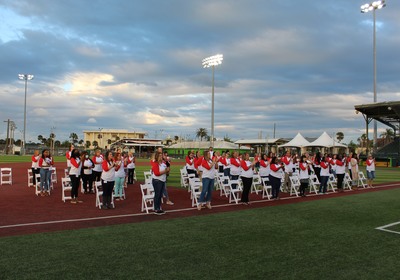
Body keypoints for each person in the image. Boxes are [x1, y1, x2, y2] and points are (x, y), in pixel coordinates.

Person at [151, 151, 170, 215]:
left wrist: (167, 171)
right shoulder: (155, 163)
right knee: (157, 195)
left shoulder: (163, 164)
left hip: (162, 180)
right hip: (157, 181)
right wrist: (165, 171)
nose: (161, 157)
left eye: (161, 156)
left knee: (160, 195)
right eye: (159, 156)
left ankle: (158, 208)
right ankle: (156, 208)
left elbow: (166, 173)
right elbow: (156, 173)